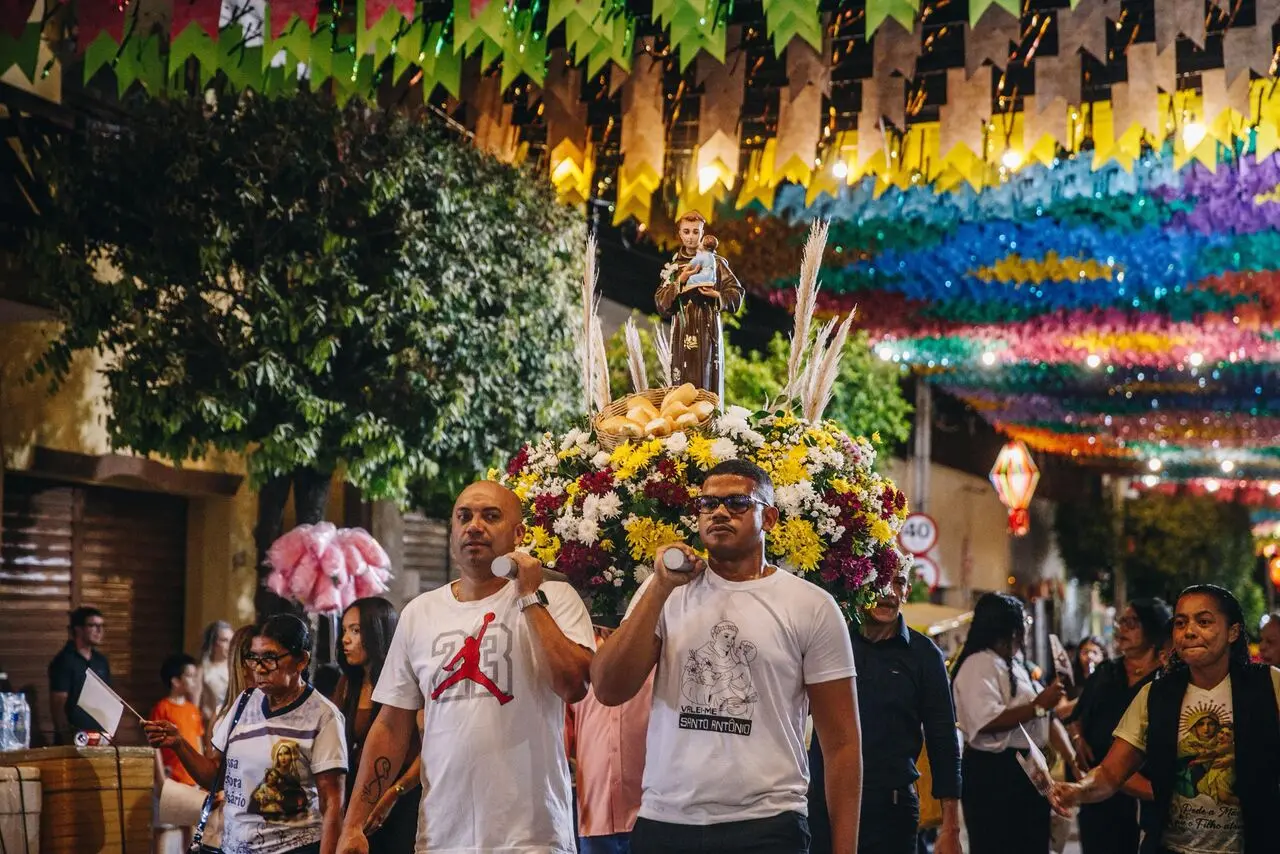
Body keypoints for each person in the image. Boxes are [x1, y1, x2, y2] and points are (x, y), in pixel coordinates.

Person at [591, 459, 862, 854]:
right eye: (707, 504)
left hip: (766, 823)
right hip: (667, 820)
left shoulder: (810, 606)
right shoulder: (665, 591)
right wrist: (659, 588)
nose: (718, 512)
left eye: (737, 503)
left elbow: (841, 744)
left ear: (768, 518)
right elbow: (608, 687)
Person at [337, 480, 594, 854]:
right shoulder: (419, 613)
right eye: (464, 517)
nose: (475, 526)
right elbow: (392, 724)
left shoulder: (554, 597)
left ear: (519, 533)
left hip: (531, 839)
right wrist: (354, 823)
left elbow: (574, 685)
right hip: (441, 836)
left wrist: (528, 597)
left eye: (491, 516)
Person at [1051, 585, 1280, 854]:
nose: (1190, 631)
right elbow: (1111, 773)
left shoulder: (1269, 685)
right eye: (1181, 623)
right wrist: (1076, 790)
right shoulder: (1155, 695)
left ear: (1233, 631)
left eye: (1204, 621)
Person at [145, 615, 348, 854]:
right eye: (254, 657)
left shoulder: (323, 716)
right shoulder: (245, 702)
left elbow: (332, 802)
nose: (259, 668)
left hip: (294, 848)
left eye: (270, 658)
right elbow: (215, 776)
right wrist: (179, 744)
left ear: (301, 660)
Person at [807, 563, 962, 854]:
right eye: (878, 580)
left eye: (899, 582)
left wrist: (951, 827)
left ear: (906, 591)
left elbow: (944, 742)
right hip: (824, 806)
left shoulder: (925, 656)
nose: (888, 592)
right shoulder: (830, 644)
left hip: (892, 811)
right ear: (859, 584)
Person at [951, 593, 1063, 854]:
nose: (1026, 626)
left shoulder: (1013, 664)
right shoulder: (978, 664)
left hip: (1024, 771)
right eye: (1023, 620)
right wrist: (1038, 706)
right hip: (995, 775)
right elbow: (987, 719)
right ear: (1008, 626)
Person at [1065, 599, 1172, 854]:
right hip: (1096, 785)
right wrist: (1078, 739)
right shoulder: (1106, 671)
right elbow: (1077, 716)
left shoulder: (1166, 679)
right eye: (1121, 622)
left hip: (1138, 792)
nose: (1122, 628)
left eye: (1131, 622)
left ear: (1152, 628)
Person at [332, 598, 420, 853]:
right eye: (344, 630)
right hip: (359, 797)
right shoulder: (348, 684)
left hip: (400, 799)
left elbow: (427, 749)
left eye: (356, 631)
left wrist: (395, 792)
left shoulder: (405, 683)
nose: (345, 640)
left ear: (378, 631)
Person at [570, 623, 654, 854]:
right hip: (594, 815)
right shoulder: (577, 661)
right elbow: (563, 734)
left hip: (648, 814)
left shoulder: (653, 657)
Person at [654, 210, 744, 397]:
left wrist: (716, 295)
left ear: (703, 233)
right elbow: (661, 303)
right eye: (686, 231)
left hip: (707, 329)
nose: (691, 237)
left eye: (696, 232)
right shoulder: (674, 267)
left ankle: (708, 422)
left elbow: (736, 293)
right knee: (681, 385)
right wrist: (680, 281)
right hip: (682, 331)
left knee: (706, 380)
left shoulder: (716, 263)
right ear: (679, 233)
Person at [48, 606, 111, 744]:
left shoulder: (101, 661)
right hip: (75, 738)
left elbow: (107, 700)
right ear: (78, 629)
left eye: (101, 626)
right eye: (93, 625)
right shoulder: (64, 661)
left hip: (99, 737)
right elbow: (58, 704)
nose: (99, 631)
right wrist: (66, 739)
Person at [152, 653, 206, 787]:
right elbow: (155, 747)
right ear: (175, 681)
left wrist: (202, 775)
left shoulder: (193, 709)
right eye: (189, 676)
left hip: (193, 781)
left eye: (195, 676)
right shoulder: (162, 708)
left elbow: (198, 745)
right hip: (172, 780)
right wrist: (161, 778)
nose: (194, 681)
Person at [200, 620, 234, 729]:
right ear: (214, 643)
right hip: (212, 725)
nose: (229, 645)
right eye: (224, 640)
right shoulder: (203, 670)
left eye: (231, 640)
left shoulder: (237, 667)